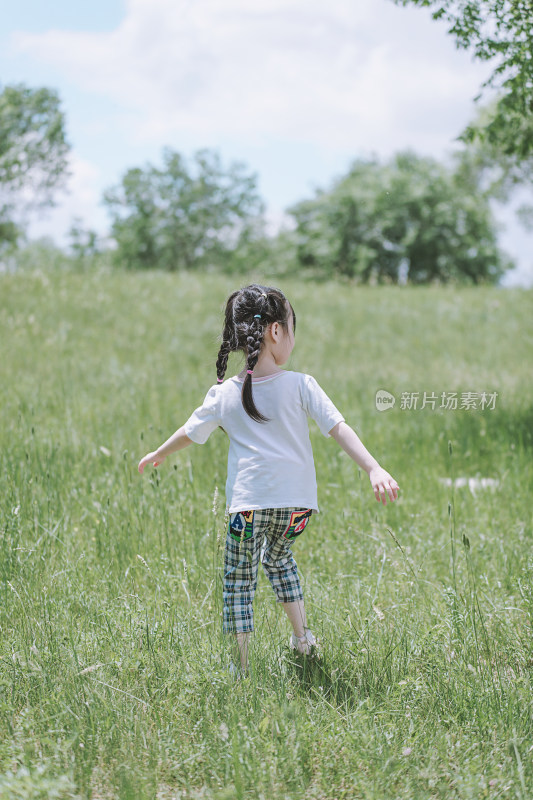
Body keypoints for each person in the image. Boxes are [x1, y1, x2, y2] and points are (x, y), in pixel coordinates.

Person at [138, 283, 399, 677]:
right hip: (297, 508)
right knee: (278, 560)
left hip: (248, 506)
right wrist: (373, 468)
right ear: (276, 331)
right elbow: (338, 428)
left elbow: (190, 432)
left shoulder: (225, 392)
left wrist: (159, 452)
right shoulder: (300, 384)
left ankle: (241, 667)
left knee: (239, 579)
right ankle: (302, 637)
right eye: (293, 328)